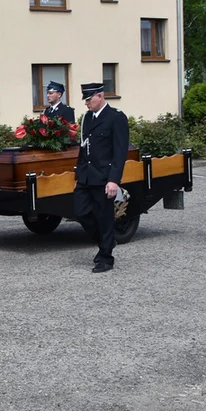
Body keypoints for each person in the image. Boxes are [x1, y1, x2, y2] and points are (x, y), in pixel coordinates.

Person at [73, 82, 129, 273]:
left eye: (89, 99)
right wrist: (78, 172)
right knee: (81, 212)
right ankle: (106, 242)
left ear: (100, 96)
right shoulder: (87, 118)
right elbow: (83, 148)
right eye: (85, 100)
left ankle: (105, 258)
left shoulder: (116, 118)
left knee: (104, 217)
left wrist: (114, 180)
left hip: (104, 177)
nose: (86, 103)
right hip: (86, 176)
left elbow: (120, 152)